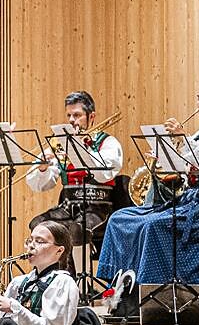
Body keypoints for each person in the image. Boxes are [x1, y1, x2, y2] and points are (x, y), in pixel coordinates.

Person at [97, 80, 199, 311]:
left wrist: (183, 139)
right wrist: (166, 159)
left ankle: (148, 295)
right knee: (120, 218)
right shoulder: (198, 135)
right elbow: (186, 172)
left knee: (153, 226)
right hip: (191, 198)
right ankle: (120, 290)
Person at [25, 90, 124, 248]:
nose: (71, 120)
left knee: (76, 229)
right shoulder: (60, 144)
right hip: (67, 206)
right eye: (69, 115)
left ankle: (76, 273)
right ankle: (52, 271)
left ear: (91, 117)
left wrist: (84, 149)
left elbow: (104, 174)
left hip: (98, 207)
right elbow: (40, 185)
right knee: (38, 224)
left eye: (77, 115)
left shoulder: (108, 143)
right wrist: (42, 168)